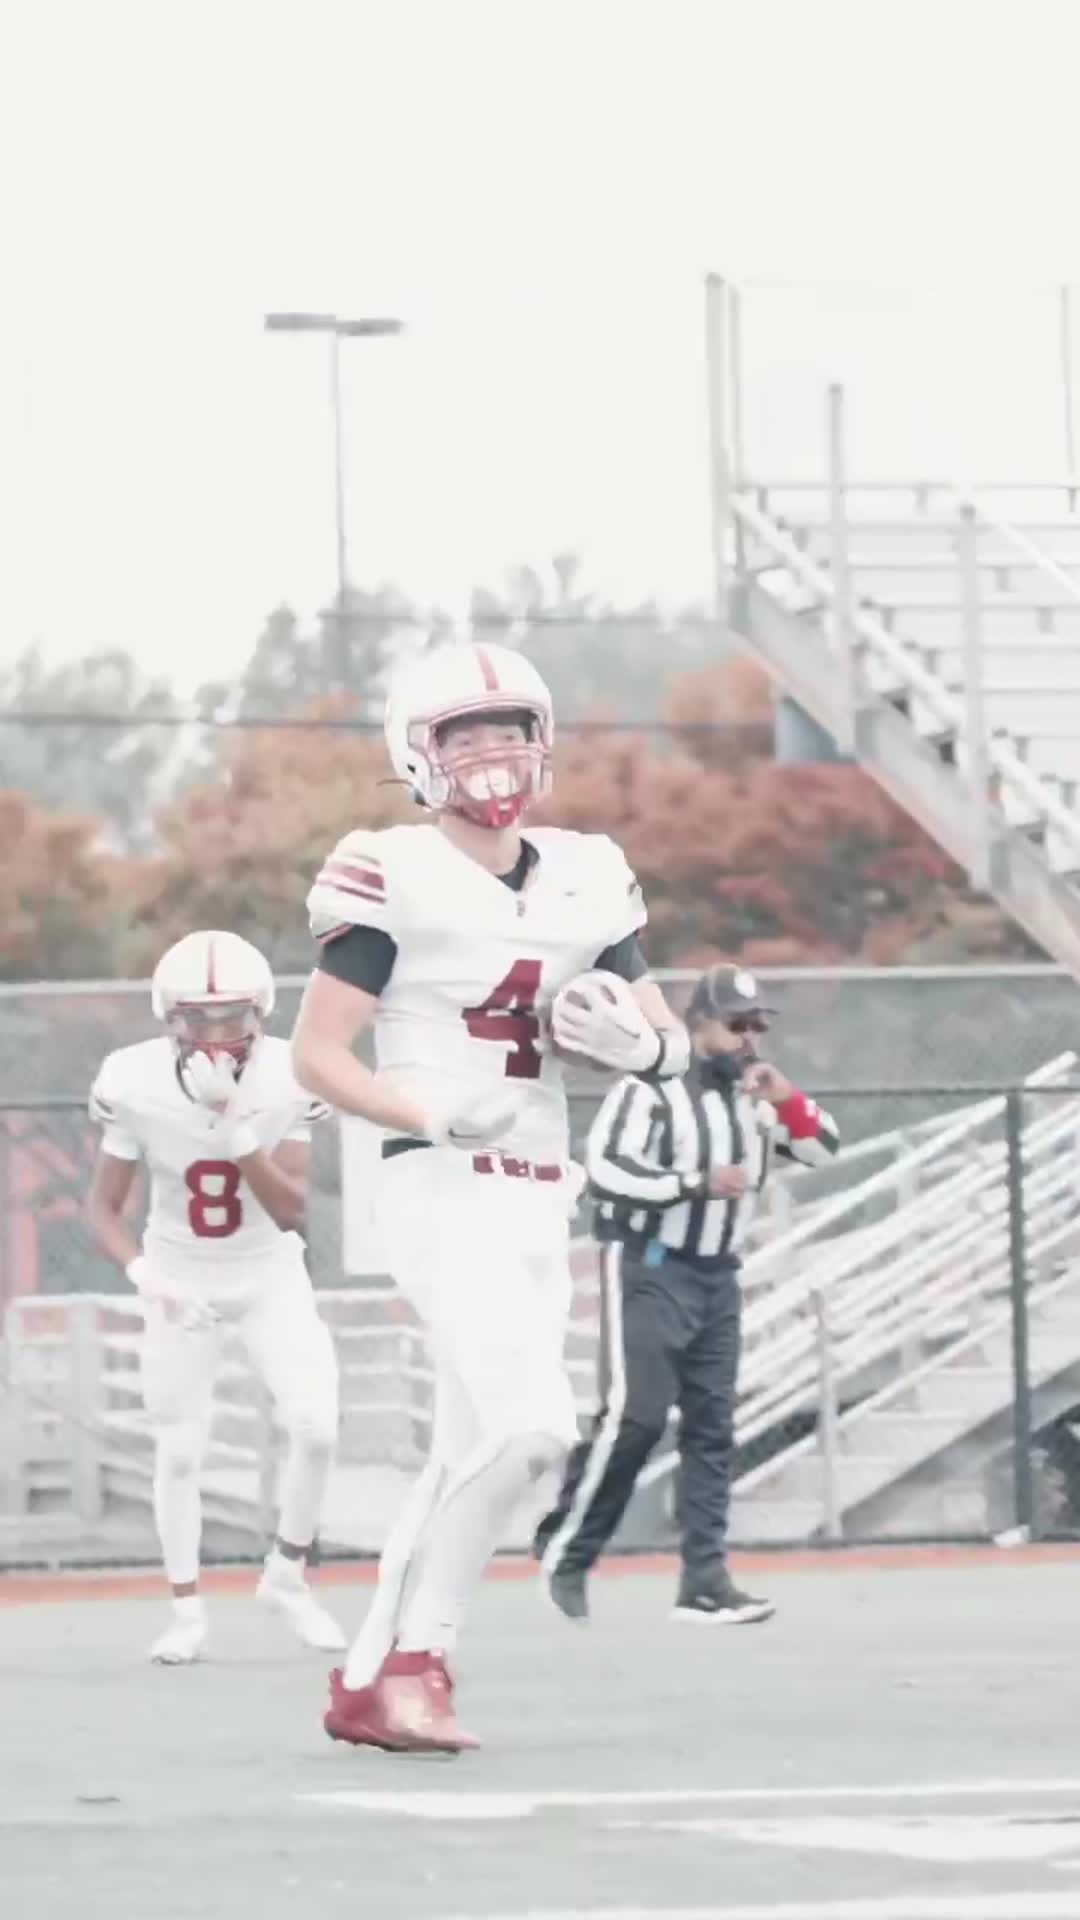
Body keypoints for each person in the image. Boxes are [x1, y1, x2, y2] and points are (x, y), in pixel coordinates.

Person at [291, 639, 689, 1753]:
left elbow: (663, 1032)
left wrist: (648, 1056)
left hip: (533, 1185)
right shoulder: (388, 866)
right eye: (463, 737)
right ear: (415, 756)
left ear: (544, 742)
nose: (492, 758)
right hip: (430, 1179)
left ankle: (370, 1679)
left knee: (464, 1450)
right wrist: (423, 1113)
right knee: (534, 1428)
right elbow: (315, 1055)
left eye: (509, 732)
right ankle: (423, 1661)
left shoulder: (587, 870)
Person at [534, 962, 839, 1626]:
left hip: (717, 1274)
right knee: (637, 1417)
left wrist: (786, 1099)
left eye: (757, 1026)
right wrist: (694, 1182)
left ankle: (705, 1581)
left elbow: (822, 1148)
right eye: (737, 1025)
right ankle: (567, 1550)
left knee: (713, 1427)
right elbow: (607, 1170)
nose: (749, 1039)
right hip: (648, 1264)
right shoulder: (652, 1087)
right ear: (700, 1024)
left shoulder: (754, 1096)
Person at [87, 929, 346, 1665]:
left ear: (259, 1013)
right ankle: (186, 1613)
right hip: (179, 1274)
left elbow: (294, 1209)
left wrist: (235, 1129)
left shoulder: (288, 1074)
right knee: (180, 1449)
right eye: (198, 1019)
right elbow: (103, 1210)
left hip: (267, 1271)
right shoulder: (131, 1080)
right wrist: (148, 1278)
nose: (215, 1035)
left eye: (231, 1017)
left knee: (317, 1425)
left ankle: (288, 1577)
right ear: (169, 1018)